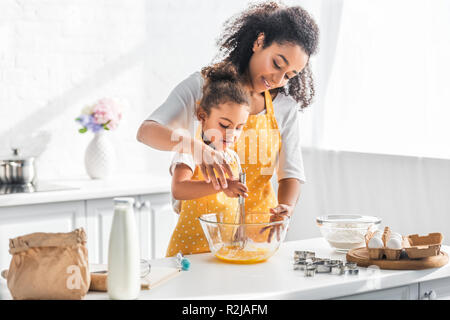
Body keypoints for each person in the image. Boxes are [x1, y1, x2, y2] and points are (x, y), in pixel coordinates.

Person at [137, 2, 319, 230]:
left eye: (289, 75)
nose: (277, 79)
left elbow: (290, 172)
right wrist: (198, 149)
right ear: (259, 41)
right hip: (204, 238)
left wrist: (286, 208)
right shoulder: (202, 87)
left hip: (260, 234)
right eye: (276, 63)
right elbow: (146, 132)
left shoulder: (284, 106)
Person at [166, 63, 250, 256]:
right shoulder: (189, 149)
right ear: (203, 117)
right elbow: (178, 188)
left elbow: (234, 206)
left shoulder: (232, 158)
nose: (232, 134)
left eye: (239, 127)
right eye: (224, 125)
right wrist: (223, 186)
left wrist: (240, 232)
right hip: (189, 255)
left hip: (222, 252)